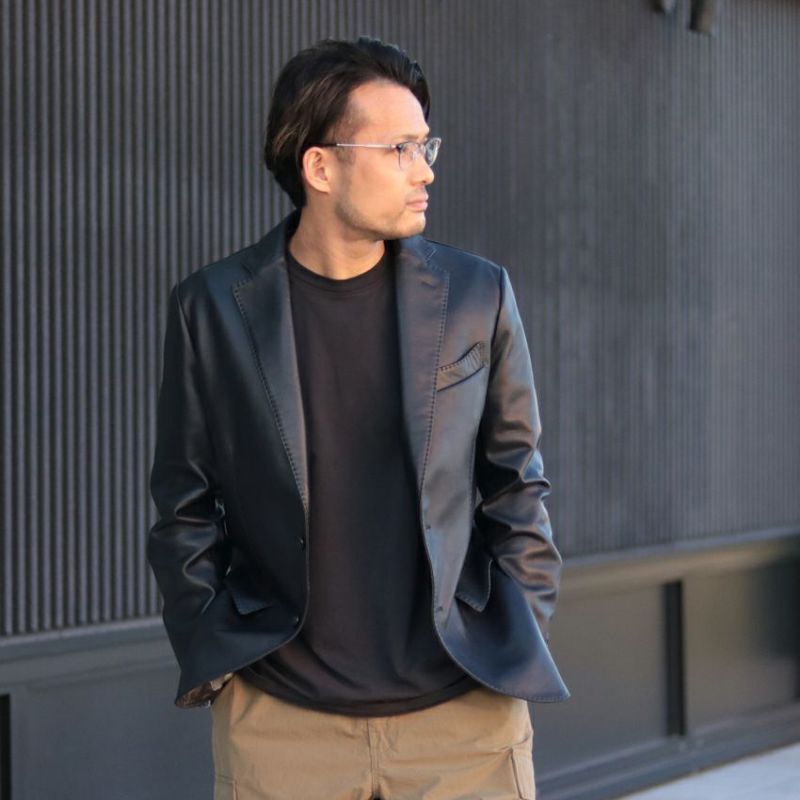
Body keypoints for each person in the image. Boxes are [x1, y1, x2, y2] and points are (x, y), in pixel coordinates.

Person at [147, 35, 568, 800]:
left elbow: (517, 486)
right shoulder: (211, 309)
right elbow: (185, 504)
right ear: (319, 167)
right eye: (400, 148)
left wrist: (520, 623)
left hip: (464, 717)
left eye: (425, 145)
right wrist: (215, 646)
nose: (425, 169)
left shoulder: (477, 295)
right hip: (283, 722)